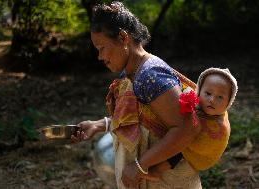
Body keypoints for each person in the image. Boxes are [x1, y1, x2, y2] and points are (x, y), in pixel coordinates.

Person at [71, 1, 203, 188]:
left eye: (102, 48)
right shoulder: (132, 72)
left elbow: (188, 128)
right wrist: (99, 125)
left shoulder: (151, 75)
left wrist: (140, 165)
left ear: (123, 37)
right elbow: (142, 119)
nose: (100, 57)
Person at [141, 68, 238, 181]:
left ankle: (158, 170)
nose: (212, 100)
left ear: (229, 102)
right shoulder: (193, 98)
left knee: (178, 150)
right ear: (199, 91)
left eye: (220, 97)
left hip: (190, 148)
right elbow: (183, 96)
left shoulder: (221, 125)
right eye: (208, 93)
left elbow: (206, 142)